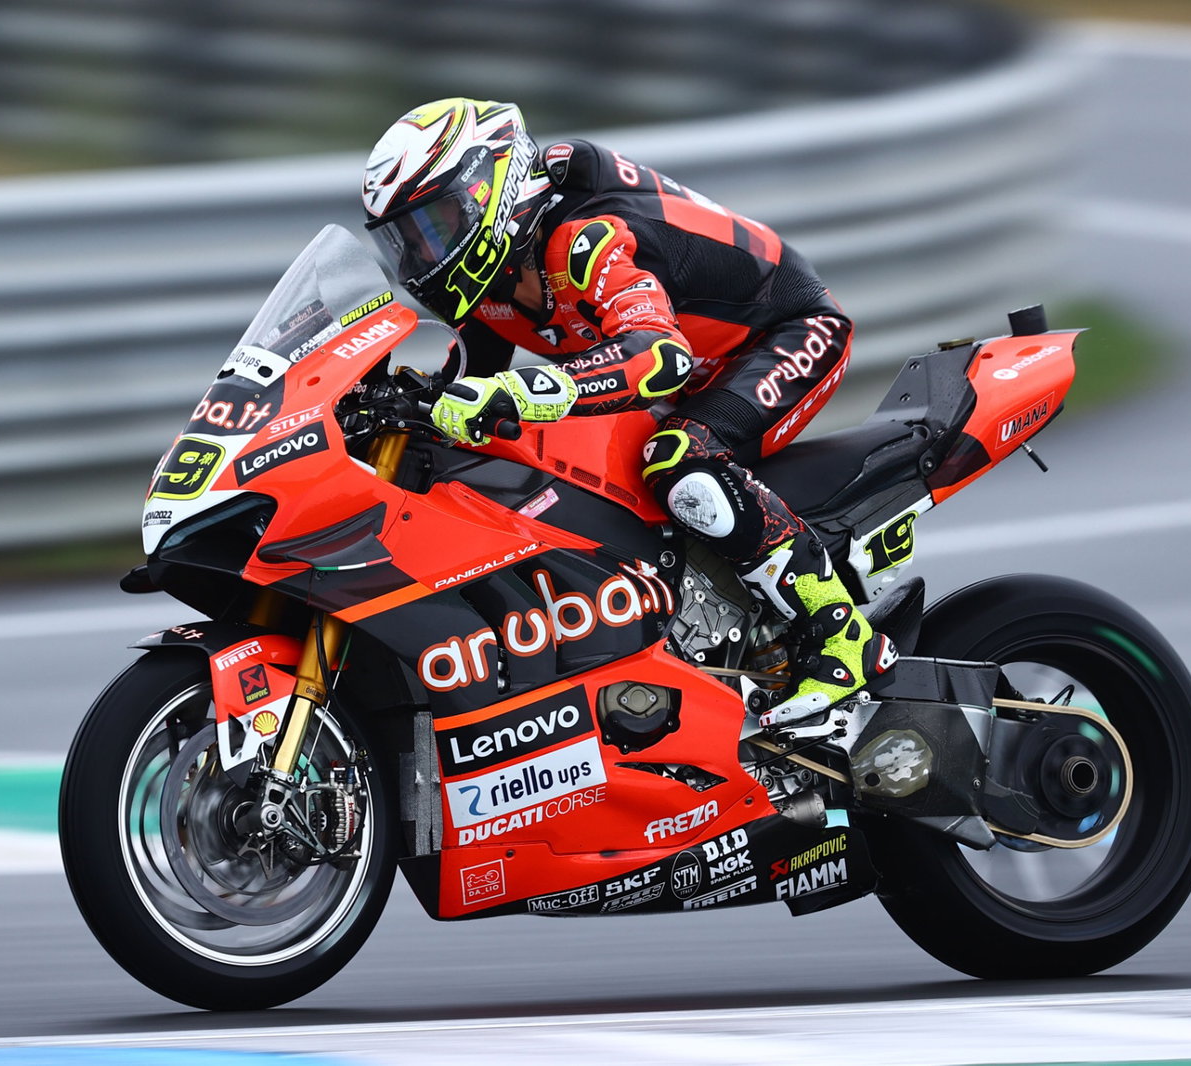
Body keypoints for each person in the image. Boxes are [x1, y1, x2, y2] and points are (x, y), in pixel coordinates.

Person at [361, 97, 896, 724]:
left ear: (490, 190)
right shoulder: (493, 287)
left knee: (679, 459)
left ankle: (843, 636)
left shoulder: (582, 241)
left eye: (437, 226)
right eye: (408, 241)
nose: (423, 258)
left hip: (786, 332)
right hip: (700, 363)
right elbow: (469, 386)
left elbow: (660, 356)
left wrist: (534, 388)